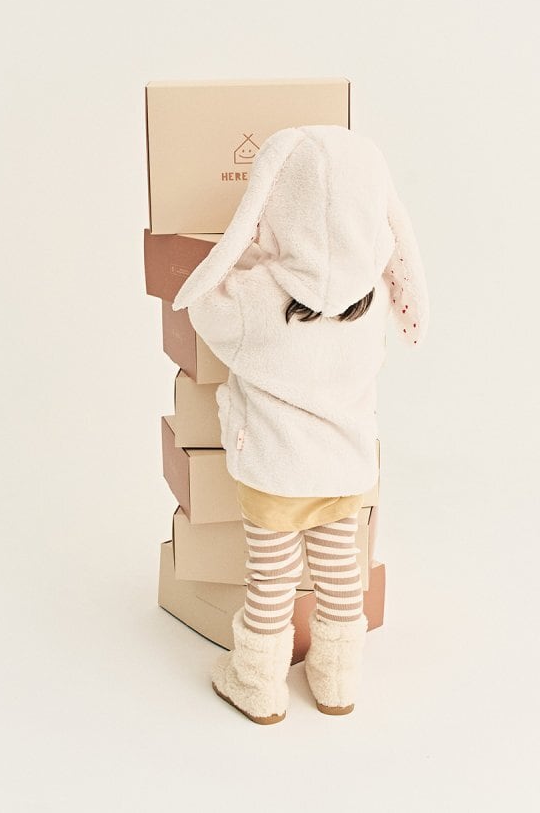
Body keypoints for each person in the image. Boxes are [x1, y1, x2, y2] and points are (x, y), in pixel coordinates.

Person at [171, 124, 429, 724]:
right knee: (341, 574)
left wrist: (250, 252)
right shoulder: (373, 303)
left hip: (273, 469)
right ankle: (337, 681)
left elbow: (204, 310)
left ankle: (256, 683)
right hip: (346, 469)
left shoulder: (255, 296)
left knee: (272, 579)